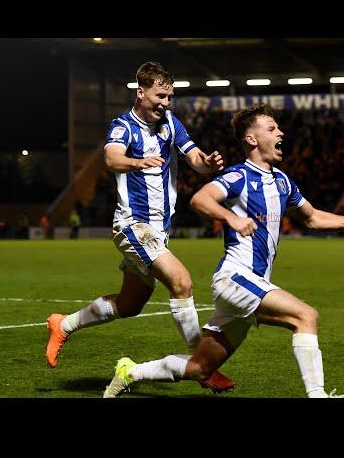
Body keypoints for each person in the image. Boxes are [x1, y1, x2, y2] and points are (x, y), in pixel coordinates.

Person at [103, 103, 344, 398]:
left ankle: (130, 372)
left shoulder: (282, 180)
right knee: (305, 316)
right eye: (272, 129)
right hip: (235, 278)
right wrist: (232, 218)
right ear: (251, 139)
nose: (281, 133)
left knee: (201, 368)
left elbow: (313, 218)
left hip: (251, 283)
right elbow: (201, 199)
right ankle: (318, 396)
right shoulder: (239, 176)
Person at [45, 61, 234, 393]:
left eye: (170, 97)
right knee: (181, 282)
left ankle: (64, 324)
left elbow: (194, 159)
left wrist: (208, 164)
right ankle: (201, 365)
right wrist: (137, 162)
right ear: (141, 91)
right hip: (133, 225)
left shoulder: (170, 123)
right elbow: (111, 158)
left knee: (130, 305)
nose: (165, 103)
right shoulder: (123, 127)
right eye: (160, 96)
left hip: (158, 231)